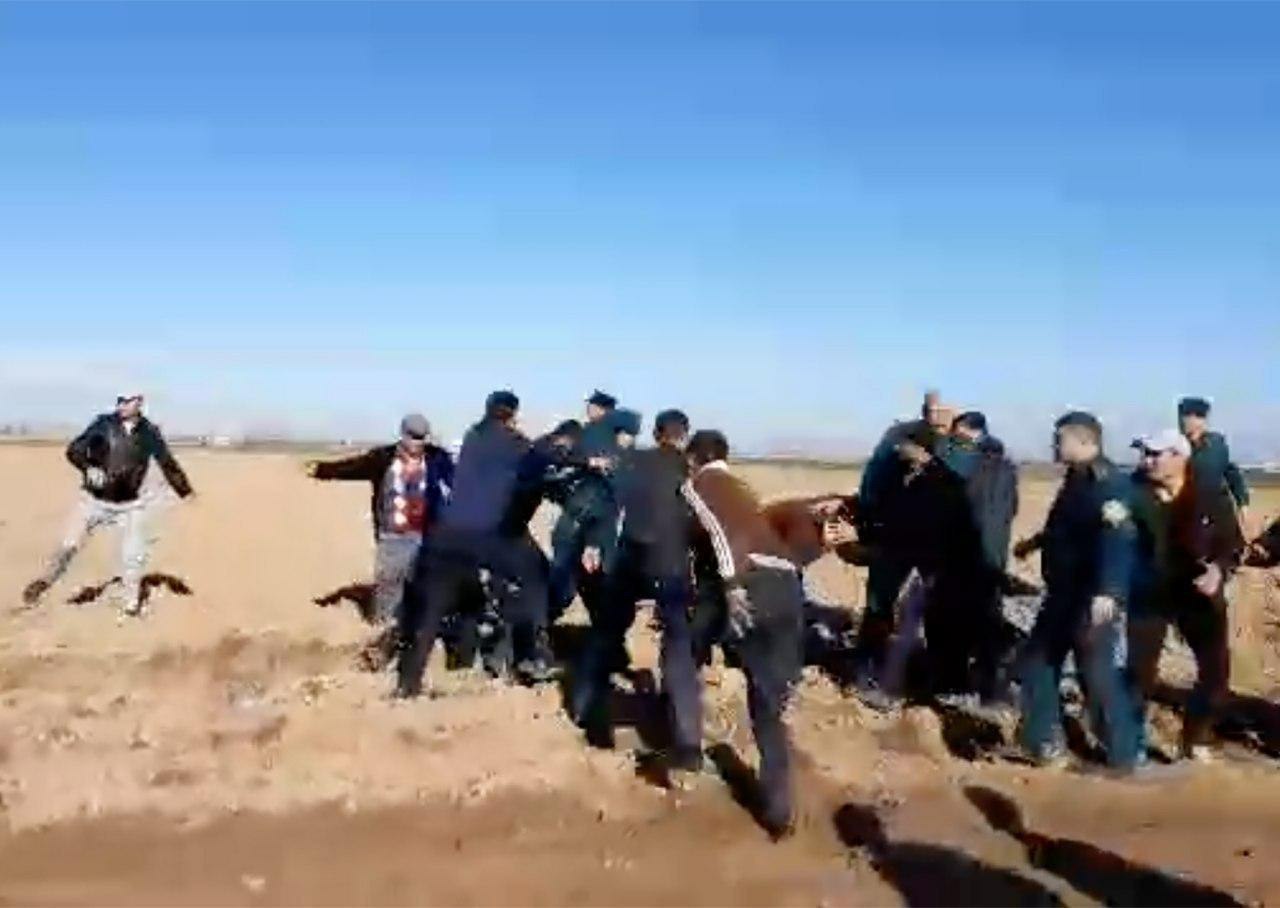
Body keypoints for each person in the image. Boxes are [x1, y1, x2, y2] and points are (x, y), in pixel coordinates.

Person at [682, 429, 804, 839]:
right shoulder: (741, 487)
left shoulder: (701, 484)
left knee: (694, 649)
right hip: (787, 584)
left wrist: (732, 586)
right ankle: (778, 803)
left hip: (752, 585)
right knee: (771, 698)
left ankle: (685, 742)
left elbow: (721, 534)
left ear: (694, 458)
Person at [395, 391, 552, 698]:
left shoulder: (473, 436)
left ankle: (409, 685)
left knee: (439, 607)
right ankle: (526, 658)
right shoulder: (513, 443)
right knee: (532, 579)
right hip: (484, 536)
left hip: (446, 534)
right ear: (512, 415)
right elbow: (539, 460)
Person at [1014, 412, 1141, 771]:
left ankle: (1125, 754)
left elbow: (1118, 539)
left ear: (1086, 442)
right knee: (1038, 663)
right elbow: (1068, 526)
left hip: (1090, 596)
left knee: (1097, 673)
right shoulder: (1076, 478)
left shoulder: (1109, 484)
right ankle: (1043, 743)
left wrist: (1109, 591)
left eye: (1060, 440)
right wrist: (1034, 543)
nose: (1053, 445)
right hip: (1063, 591)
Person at [571, 409, 691, 743]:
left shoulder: (632, 461)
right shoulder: (689, 468)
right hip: (670, 563)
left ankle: (583, 707)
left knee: (606, 632)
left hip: (631, 559)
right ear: (684, 436)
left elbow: (606, 503)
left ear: (655, 434)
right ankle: (680, 727)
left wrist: (594, 541)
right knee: (678, 640)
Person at [22, 392, 195, 618]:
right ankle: (44, 583)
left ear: (139, 402)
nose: (121, 405)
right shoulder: (103, 424)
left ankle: (131, 604)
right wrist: (88, 467)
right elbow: (74, 450)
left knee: (133, 556)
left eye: (127, 401)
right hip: (93, 501)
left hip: (129, 505)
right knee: (68, 545)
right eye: (119, 400)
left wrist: (185, 491)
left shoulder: (149, 432)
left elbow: (166, 462)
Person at [1127, 429, 1243, 762]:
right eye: (1144, 453)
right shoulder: (1131, 491)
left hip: (1197, 592)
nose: (1146, 460)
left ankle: (1197, 736)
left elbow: (1232, 543)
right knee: (1139, 670)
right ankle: (1130, 742)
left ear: (1179, 458)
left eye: (1155, 454)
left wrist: (1218, 570)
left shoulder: (1209, 493)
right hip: (1149, 592)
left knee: (1215, 669)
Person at [305, 414, 454, 626]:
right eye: (413, 437)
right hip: (392, 537)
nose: (417, 442)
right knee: (389, 591)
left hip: (427, 537)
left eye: (421, 438)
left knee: (424, 590)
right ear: (403, 435)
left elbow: (459, 482)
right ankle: (382, 627)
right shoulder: (383, 458)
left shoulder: (437, 458)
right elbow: (353, 467)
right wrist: (321, 469)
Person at [854, 390, 956, 675]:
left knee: (939, 602)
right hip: (896, 534)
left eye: (944, 413)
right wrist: (869, 523)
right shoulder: (898, 438)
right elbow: (873, 481)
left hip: (935, 538)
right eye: (933, 412)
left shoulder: (957, 441)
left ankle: (938, 669)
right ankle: (869, 664)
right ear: (925, 411)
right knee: (880, 602)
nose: (938, 418)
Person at [943, 411, 1020, 700]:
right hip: (994, 555)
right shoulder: (1007, 467)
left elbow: (959, 509)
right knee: (989, 617)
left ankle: (956, 683)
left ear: (969, 432)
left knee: (957, 617)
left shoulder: (968, 466)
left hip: (967, 554)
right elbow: (1012, 508)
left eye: (957, 435)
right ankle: (990, 685)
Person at [548, 390, 621, 620]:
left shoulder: (601, 439)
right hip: (589, 516)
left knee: (575, 576)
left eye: (593, 405)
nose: (588, 409)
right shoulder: (600, 438)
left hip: (593, 518)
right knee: (586, 578)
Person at [1178, 397, 1250, 527]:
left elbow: (1232, 473)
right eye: (1182, 415)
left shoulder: (1217, 445)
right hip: (1185, 517)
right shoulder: (1172, 447)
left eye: (1188, 416)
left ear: (1202, 420)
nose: (1183, 420)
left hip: (1218, 515)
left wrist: (1242, 503)